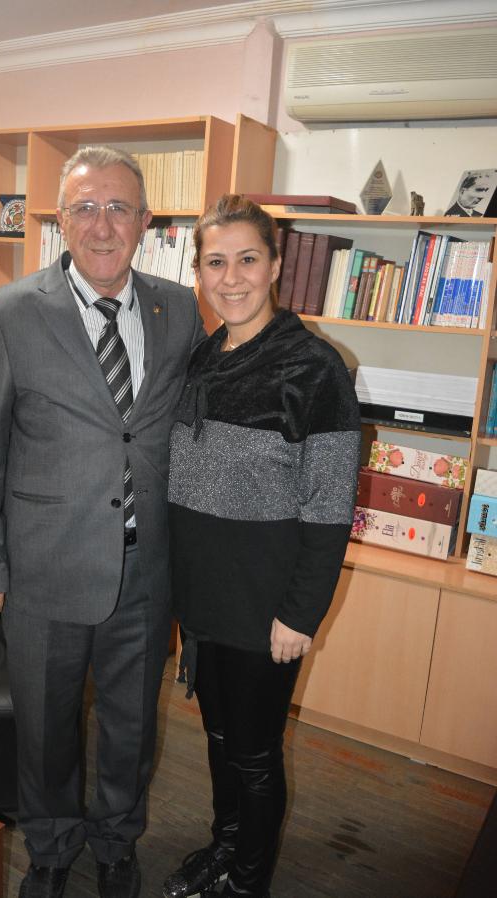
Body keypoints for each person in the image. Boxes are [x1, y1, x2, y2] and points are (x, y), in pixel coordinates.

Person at [0, 145, 205, 898]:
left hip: (146, 569)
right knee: (45, 728)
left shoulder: (180, 309)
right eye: (86, 208)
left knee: (132, 728)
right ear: (60, 221)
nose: (103, 226)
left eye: (119, 208)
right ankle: (52, 847)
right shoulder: (10, 312)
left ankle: (117, 842)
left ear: (145, 221)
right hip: (43, 571)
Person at [163, 195, 361, 898]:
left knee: (253, 754)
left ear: (275, 266)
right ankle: (224, 847)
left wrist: (301, 614)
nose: (232, 277)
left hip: (265, 605)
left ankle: (247, 882)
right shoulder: (202, 357)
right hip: (203, 597)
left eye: (247, 259)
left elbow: (330, 508)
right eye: (215, 262)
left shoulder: (314, 369)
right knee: (219, 738)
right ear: (198, 272)